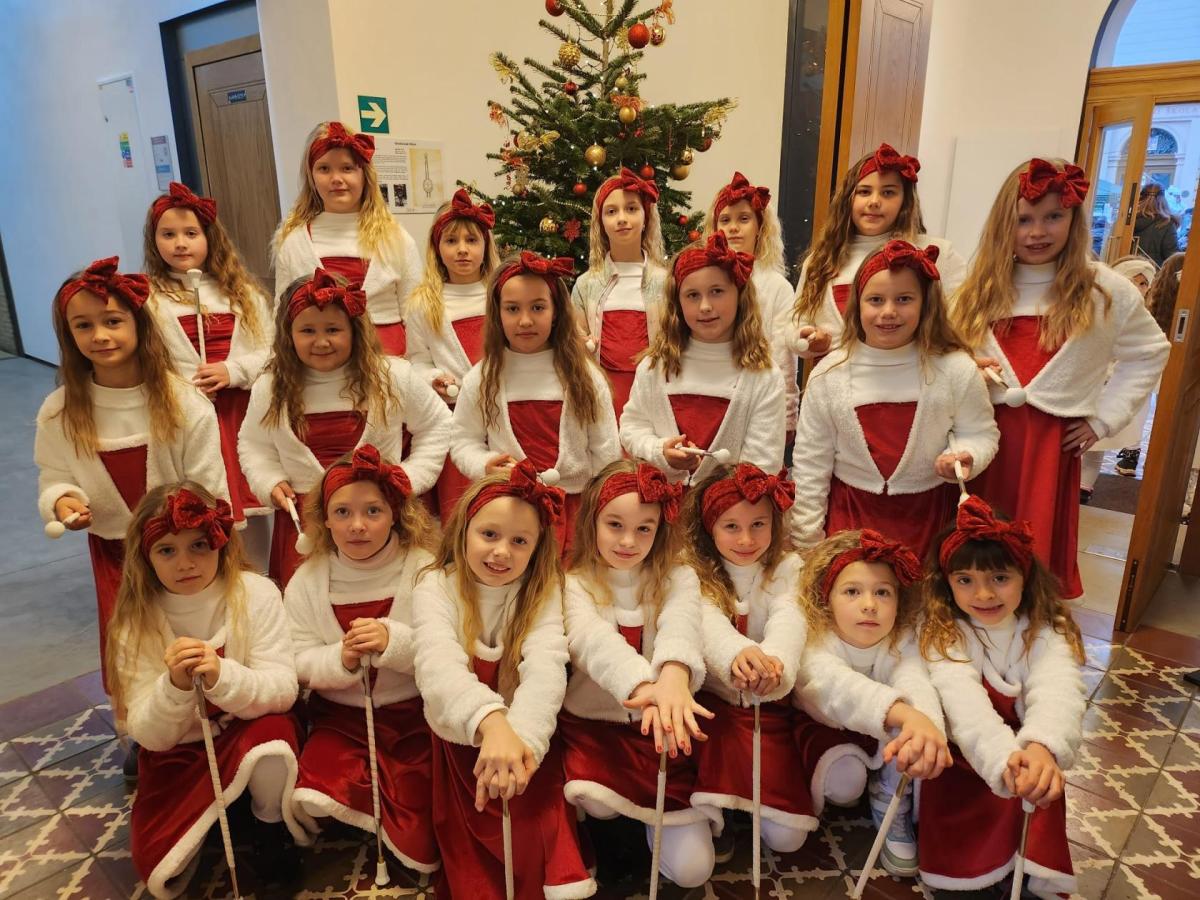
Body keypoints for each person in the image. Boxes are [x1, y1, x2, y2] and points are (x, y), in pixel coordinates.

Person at [953, 158, 1169, 598]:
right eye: (1024, 220)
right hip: (983, 444)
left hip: (1050, 450)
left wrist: (1103, 419)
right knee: (976, 556)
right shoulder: (978, 291)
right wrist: (966, 368)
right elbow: (945, 355)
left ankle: (1033, 630)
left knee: (1033, 562)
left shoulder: (1104, 291)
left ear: (1074, 220)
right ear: (1003, 225)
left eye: (1053, 217)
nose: (1037, 232)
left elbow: (1150, 352)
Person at [108, 483, 311, 897]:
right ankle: (222, 810)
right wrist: (174, 688)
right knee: (158, 866)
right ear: (145, 557)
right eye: (167, 550)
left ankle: (270, 827)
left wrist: (223, 677)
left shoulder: (256, 594)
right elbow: (147, 732)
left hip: (247, 732)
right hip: (179, 751)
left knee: (272, 743)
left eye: (199, 545)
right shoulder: (135, 620)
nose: (185, 563)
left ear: (220, 542)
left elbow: (282, 689)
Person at [36, 257, 228, 693]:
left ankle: (209, 708)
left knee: (190, 634)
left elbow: (209, 485)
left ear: (139, 324)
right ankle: (139, 715)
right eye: (83, 326)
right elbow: (55, 473)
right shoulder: (59, 412)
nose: (100, 336)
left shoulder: (184, 403)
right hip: (114, 553)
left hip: (184, 547)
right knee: (132, 640)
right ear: (69, 335)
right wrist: (63, 499)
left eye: (112, 321)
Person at [413, 462, 596, 898]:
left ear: (537, 548)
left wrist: (521, 744)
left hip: (527, 742)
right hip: (464, 740)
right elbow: (438, 666)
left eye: (519, 541)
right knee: (476, 863)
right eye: (489, 535)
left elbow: (546, 667)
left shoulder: (543, 589)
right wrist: (490, 723)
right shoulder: (434, 586)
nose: (501, 552)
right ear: (463, 531)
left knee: (535, 842)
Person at [919, 496, 1086, 898]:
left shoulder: (1045, 628)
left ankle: (1031, 867)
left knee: (1044, 782)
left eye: (999, 578)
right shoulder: (945, 632)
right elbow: (964, 705)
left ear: (1024, 576)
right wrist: (1004, 761)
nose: (983, 594)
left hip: (1026, 754)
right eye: (965, 580)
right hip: (967, 758)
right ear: (947, 583)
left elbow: (1059, 689)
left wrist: (1042, 747)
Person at [559, 460, 715, 888]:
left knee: (694, 870)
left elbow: (682, 625)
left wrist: (675, 675)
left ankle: (654, 836)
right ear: (592, 522)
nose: (628, 541)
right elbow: (592, 642)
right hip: (595, 728)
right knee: (597, 801)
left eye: (644, 528)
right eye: (615, 525)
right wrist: (647, 687)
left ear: (660, 529)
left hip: (662, 729)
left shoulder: (679, 576)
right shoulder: (573, 583)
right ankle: (612, 839)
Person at [239, 269, 449, 585]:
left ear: (354, 330)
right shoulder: (269, 389)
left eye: (333, 329)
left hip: (379, 521)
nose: (321, 341)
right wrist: (268, 480)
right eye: (307, 330)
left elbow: (437, 424)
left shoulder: (392, 377)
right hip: (304, 527)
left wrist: (407, 477)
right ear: (288, 334)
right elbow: (254, 444)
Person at [790, 240, 998, 558]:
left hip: (928, 524)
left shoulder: (955, 369)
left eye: (904, 299)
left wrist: (966, 455)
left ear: (925, 303)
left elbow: (980, 432)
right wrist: (807, 542)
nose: (889, 312)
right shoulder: (829, 375)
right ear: (857, 305)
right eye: (876, 300)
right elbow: (811, 465)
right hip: (849, 523)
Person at [286, 445, 439, 874]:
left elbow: (445, 649)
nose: (357, 525)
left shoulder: (424, 569)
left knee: (421, 828)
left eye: (373, 511)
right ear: (325, 519)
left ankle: (391, 821)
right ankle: (359, 813)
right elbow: (297, 659)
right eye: (343, 513)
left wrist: (395, 641)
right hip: (342, 719)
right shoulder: (307, 580)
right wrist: (341, 659)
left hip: (413, 718)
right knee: (313, 793)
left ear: (395, 514)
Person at [794, 529, 949, 878]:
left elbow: (914, 680)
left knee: (914, 729)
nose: (869, 604)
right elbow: (835, 686)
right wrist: (904, 713)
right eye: (852, 592)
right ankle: (845, 783)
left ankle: (889, 797)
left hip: (880, 732)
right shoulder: (816, 638)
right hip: (826, 728)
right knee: (845, 784)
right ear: (827, 598)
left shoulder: (900, 638)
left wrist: (924, 725)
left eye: (882, 592)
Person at [451, 252, 620, 554]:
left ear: (556, 312)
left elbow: (605, 451)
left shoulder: (586, 378)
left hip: (573, 513)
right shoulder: (481, 378)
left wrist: (596, 509)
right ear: (497, 314)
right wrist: (484, 465)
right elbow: (464, 441)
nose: (525, 320)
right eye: (512, 309)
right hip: (506, 512)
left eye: (538, 307)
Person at [685, 464, 814, 857]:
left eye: (758, 524)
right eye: (731, 527)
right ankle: (717, 810)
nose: (746, 539)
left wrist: (773, 663)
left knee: (788, 839)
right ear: (709, 527)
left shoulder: (788, 568)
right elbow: (703, 619)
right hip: (713, 707)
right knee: (709, 777)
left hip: (767, 708)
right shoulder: (690, 569)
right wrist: (736, 653)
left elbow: (790, 616)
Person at [143, 182, 274, 564]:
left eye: (190, 233)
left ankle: (258, 575)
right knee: (201, 503)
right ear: (154, 241)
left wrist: (233, 370)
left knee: (251, 502)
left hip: (240, 414)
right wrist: (185, 387)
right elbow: (149, 363)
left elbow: (273, 354)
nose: (180, 243)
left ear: (209, 237)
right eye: (168, 235)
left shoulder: (243, 295)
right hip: (187, 418)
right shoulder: (150, 300)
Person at [620, 233, 785, 484]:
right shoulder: (655, 367)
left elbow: (763, 461)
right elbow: (633, 427)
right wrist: (660, 451)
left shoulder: (763, 376)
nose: (705, 306)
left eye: (717, 291)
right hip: (662, 506)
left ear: (739, 294)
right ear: (678, 302)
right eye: (693, 295)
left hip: (733, 506)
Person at [273, 121, 422, 355]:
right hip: (321, 362)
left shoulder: (397, 240)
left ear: (364, 174)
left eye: (347, 168)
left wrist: (420, 368)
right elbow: (281, 317)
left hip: (390, 361)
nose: (336, 178)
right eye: (324, 169)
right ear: (311, 176)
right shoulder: (293, 243)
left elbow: (416, 316)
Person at [405, 189, 500, 518]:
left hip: (498, 413)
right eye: (451, 241)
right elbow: (417, 360)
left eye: (471, 240)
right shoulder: (423, 302)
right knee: (459, 508)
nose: (462, 249)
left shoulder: (500, 295)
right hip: (454, 419)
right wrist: (434, 378)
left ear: (485, 245)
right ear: (437, 248)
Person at [573, 167, 667, 418]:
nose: (622, 218)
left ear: (646, 217)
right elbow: (577, 341)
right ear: (601, 222)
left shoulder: (666, 282)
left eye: (631, 209)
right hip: (603, 394)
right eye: (611, 211)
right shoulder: (586, 285)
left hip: (651, 392)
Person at [1132, 183, 1180, 267]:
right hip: (1151, 272)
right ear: (1163, 200)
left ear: (1140, 197)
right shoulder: (1167, 223)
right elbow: (1173, 259)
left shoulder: (1128, 220)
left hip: (1124, 270)